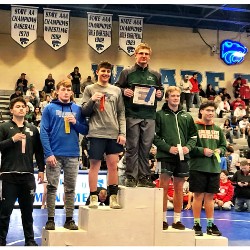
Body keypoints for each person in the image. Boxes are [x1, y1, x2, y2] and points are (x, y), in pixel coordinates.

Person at [40, 80, 88, 230]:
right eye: (63, 89)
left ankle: (69, 219)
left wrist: (75, 123)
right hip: (54, 155)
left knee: (70, 189)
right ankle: (50, 219)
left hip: (73, 155)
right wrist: (48, 153)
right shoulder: (49, 108)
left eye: (68, 89)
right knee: (52, 187)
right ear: (57, 91)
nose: (66, 92)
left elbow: (85, 130)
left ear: (72, 92)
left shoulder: (77, 109)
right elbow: (43, 132)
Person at [116, 42, 164, 188]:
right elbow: (117, 87)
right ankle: (130, 176)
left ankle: (144, 176)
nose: (144, 56)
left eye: (146, 54)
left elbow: (160, 91)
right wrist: (124, 91)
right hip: (132, 114)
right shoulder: (127, 72)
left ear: (149, 56)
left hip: (149, 115)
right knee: (132, 148)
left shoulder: (156, 74)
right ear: (135, 55)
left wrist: (160, 93)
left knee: (146, 147)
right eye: (141, 53)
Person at [0, 97, 45, 246]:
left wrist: (41, 169)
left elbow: (39, 151)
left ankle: (30, 241)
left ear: (27, 110)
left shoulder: (32, 128)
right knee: (4, 212)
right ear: (11, 110)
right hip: (8, 176)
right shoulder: (4, 127)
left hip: (27, 176)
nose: (21, 108)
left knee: (28, 212)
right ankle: (1, 241)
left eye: (23, 106)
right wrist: (12, 140)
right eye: (18, 106)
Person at [82, 61, 126, 209]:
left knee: (113, 165)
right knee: (94, 165)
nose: (105, 74)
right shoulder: (89, 89)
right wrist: (92, 100)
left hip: (113, 133)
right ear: (97, 72)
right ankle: (93, 196)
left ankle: (113, 197)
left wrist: (122, 132)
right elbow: (84, 112)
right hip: (96, 133)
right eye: (103, 71)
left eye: (108, 71)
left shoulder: (116, 90)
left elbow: (121, 113)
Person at [153, 86, 197, 230]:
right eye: (173, 96)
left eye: (178, 96)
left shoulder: (187, 116)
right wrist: (168, 148)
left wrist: (188, 148)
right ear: (167, 98)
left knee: (179, 188)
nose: (176, 98)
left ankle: (177, 220)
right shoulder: (159, 115)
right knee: (163, 187)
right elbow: (154, 137)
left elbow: (193, 137)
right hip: (164, 156)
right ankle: (162, 219)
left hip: (183, 157)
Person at [189, 101, 227, 236]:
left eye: (212, 111)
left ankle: (210, 225)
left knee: (210, 197)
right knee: (198, 196)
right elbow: (189, 147)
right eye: (208, 110)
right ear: (201, 111)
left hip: (214, 168)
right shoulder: (193, 127)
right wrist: (202, 151)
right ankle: (196, 225)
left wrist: (219, 150)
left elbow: (224, 146)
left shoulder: (218, 129)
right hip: (198, 167)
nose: (210, 113)